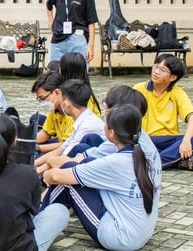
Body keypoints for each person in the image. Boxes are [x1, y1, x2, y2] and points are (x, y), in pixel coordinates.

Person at [40, 104, 162, 250]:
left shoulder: (114, 163)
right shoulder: (144, 154)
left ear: (111, 132)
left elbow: (57, 176)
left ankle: (38, 227)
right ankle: (44, 215)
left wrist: (45, 175)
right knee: (84, 164)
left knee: (67, 179)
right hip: (140, 233)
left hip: (119, 237)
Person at [0, 114, 69, 251]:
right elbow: (34, 209)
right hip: (18, 246)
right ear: (15, 141)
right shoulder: (28, 173)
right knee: (59, 210)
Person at [134, 54, 193, 170]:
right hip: (145, 138)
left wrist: (186, 141)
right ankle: (176, 160)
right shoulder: (139, 89)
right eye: (156, 67)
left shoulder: (177, 92)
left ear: (173, 78)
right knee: (136, 146)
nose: (156, 72)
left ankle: (153, 164)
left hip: (168, 140)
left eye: (163, 70)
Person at [45, 0, 98, 71]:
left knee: (79, 76)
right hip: (58, 39)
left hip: (78, 39)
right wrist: (51, 21)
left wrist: (91, 46)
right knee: (55, 75)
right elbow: (48, 6)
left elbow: (91, 22)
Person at [52, 79, 104, 156]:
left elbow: (65, 157)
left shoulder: (86, 126)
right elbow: (60, 150)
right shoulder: (83, 120)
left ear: (65, 104)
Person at [31, 71, 74, 154]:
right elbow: (46, 133)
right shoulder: (55, 110)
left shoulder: (72, 111)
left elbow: (67, 145)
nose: (42, 103)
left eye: (43, 98)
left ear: (57, 92)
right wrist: (26, 142)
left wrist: (37, 148)